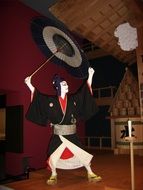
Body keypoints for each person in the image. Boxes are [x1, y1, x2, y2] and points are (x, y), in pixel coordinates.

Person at [24, 67, 102, 185]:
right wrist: (29, 84)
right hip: (58, 135)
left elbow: (84, 93)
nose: (67, 86)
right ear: (58, 87)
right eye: (64, 84)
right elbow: (39, 98)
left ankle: (90, 172)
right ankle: (54, 174)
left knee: (81, 153)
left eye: (66, 84)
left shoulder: (73, 100)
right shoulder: (51, 101)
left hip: (71, 134)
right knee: (54, 155)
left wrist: (90, 75)